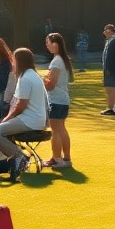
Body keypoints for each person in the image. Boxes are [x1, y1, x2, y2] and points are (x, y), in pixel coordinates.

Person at [0, 48, 48, 178]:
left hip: (29, 120)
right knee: (0, 130)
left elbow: (20, 106)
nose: (12, 63)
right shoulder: (31, 75)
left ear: (19, 61)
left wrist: (6, 119)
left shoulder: (26, 78)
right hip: (33, 119)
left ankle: (20, 156)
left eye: (14, 60)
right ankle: (16, 159)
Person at [42, 32, 75, 168]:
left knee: (56, 130)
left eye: (48, 42)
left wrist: (42, 80)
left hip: (56, 100)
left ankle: (56, 159)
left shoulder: (56, 61)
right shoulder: (61, 59)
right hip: (63, 100)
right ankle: (66, 159)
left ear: (55, 44)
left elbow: (51, 85)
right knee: (61, 128)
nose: (46, 45)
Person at [100, 24, 115, 115]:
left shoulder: (114, 42)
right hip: (111, 70)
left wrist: (108, 69)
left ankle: (111, 108)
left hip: (112, 71)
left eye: (108, 30)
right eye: (105, 30)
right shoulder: (109, 41)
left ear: (112, 32)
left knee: (110, 89)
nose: (105, 32)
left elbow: (113, 58)